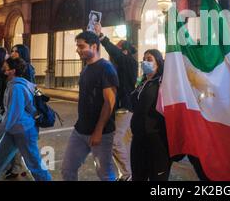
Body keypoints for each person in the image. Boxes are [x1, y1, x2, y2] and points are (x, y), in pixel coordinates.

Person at [0, 57, 51, 181]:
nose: (3, 70)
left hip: (24, 131)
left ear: (12, 71)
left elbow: (13, 114)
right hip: (13, 130)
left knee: (34, 166)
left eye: (5, 68)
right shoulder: (13, 85)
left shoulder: (17, 88)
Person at [61, 31, 119, 181]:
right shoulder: (86, 69)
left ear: (94, 46)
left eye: (81, 46)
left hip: (102, 133)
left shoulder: (106, 68)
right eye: (77, 46)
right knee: (67, 169)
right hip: (80, 130)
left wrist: (98, 130)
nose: (78, 50)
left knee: (105, 174)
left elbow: (109, 102)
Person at [95, 23, 138, 181]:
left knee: (115, 141)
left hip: (124, 108)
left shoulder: (128, 61)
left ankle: (127, 174)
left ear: (125, 51)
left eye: (118, 49)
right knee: (124, 143)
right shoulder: (120, 65)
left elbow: (116, 53)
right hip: (119, 108)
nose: (115, 53)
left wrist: (102, 37)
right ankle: (128, 172)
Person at [130, 49, 171, 181]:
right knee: (138, 176)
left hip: (157, 141)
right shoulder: (142, 83)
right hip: (138, 139)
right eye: (144, 59)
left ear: (158, 63)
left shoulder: (163, 83)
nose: (145, 62)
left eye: (149, 59)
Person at [5, 44, 35, 179]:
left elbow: (28, 90)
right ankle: (17, 167)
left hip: (23, 113)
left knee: (23, 145)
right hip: (18, 112)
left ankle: (20, 168)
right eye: (12, 51)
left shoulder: (26, 69)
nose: (12, 53)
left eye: (15, 51)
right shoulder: (14, 67)